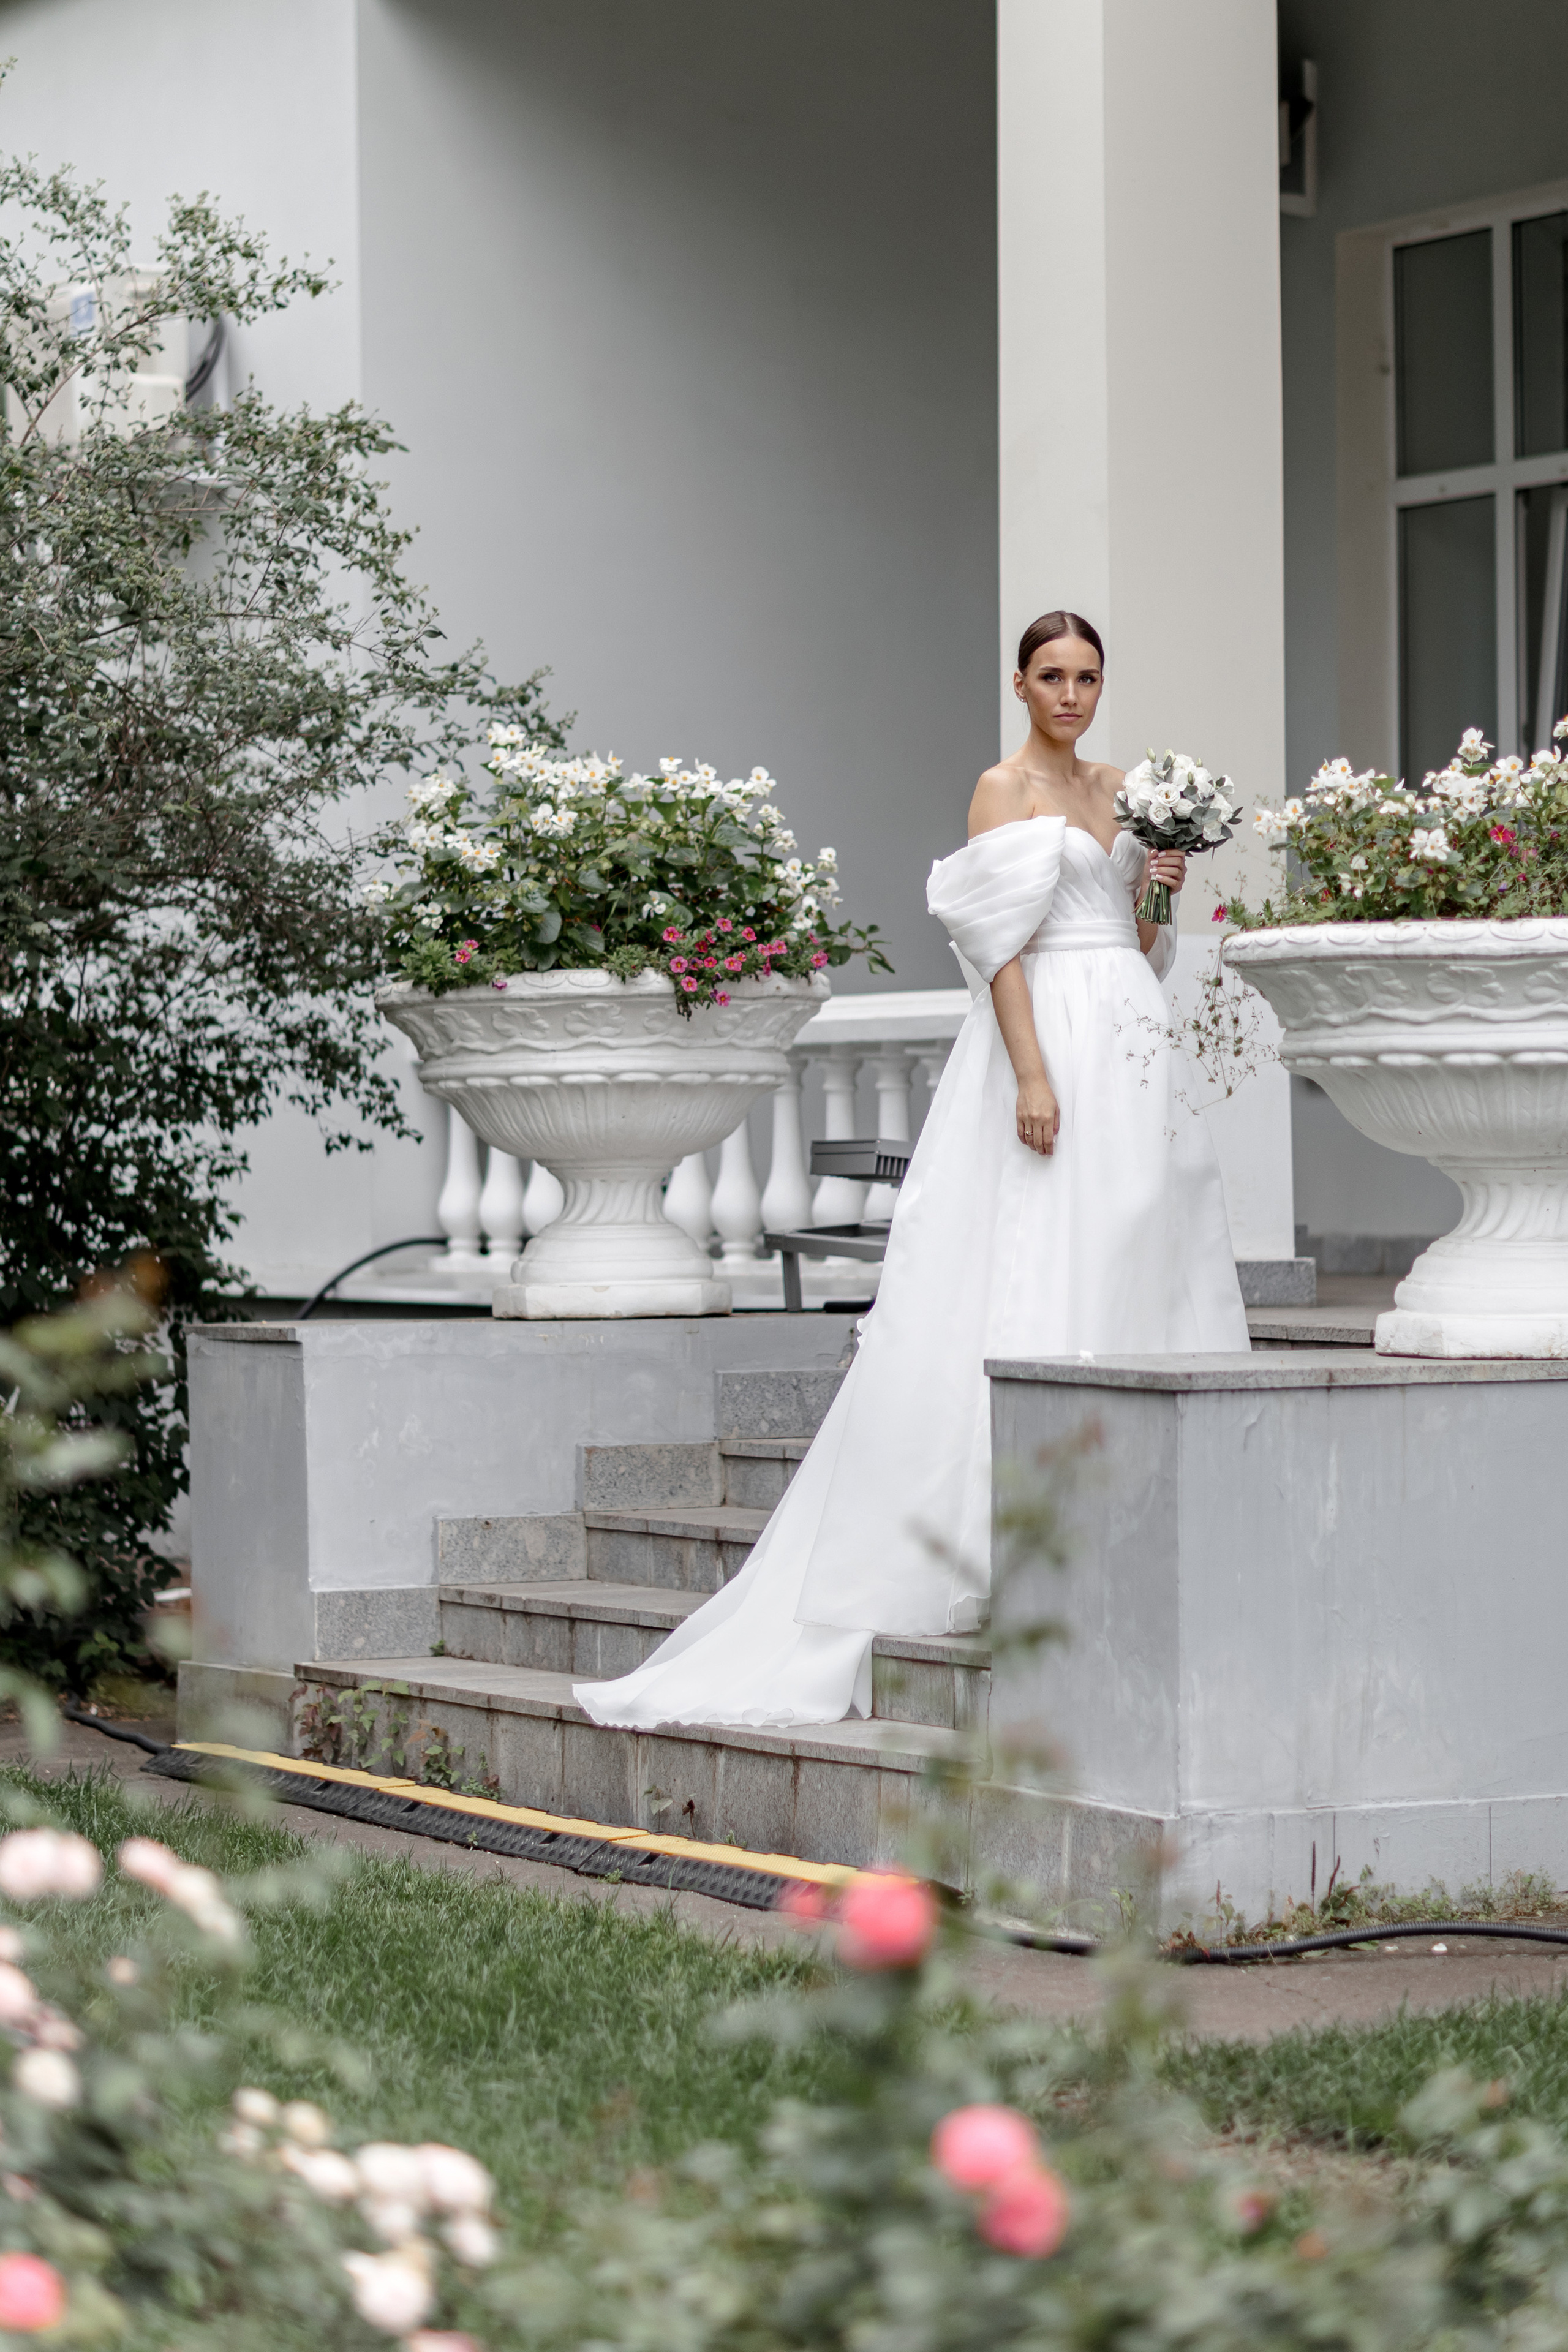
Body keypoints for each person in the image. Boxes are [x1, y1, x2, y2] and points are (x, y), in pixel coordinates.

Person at [574, 611, 1250, 1733]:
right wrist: (1033, 1077)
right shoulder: (1003, 792)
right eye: (1052, 677)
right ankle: (1021, 1536)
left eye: (1088, 678)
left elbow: (1142, 948)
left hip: (1133, 1036)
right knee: (1049, 1258)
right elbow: (999, 953)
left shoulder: (1125, 789)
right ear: (1021, 684)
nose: (1072, 696)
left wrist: (1160, 884)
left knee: (1142, 1248)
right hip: (1051, 1045)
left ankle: (1137, 1523)